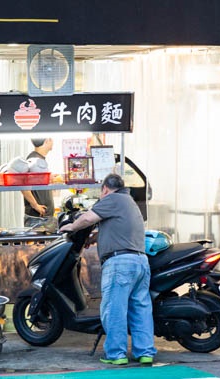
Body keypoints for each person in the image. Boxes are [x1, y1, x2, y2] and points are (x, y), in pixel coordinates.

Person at [59, 173, 156, 366]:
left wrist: (71, 227)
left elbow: (87, 218)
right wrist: (94, 239)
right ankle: (145, 352)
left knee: (115, 310)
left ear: (104, 189)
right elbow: (118, 230)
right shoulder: (128, 201)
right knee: (140, 309)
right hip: (140, 262)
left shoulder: (112, 199)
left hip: (120, 264)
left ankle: (116, 354)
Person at [21, 138, 55, 227]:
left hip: (43, 216)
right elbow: (23, 186)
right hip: (37, 217)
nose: (53, 142)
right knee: (37, 241)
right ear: (47, 141)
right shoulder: (34, 160)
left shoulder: (38, 159)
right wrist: (35, 205)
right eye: (51, 139)